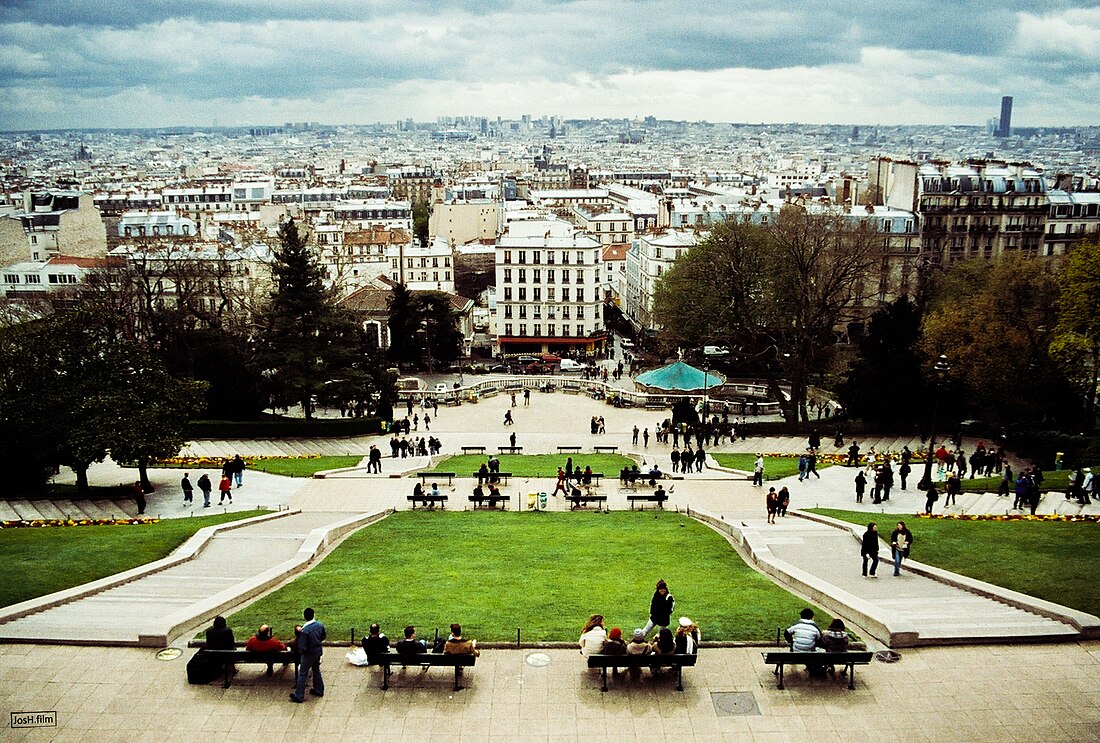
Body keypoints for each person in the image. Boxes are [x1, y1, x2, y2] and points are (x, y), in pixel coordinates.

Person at [289, 607, 326, 703]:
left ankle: (299, 695)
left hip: (308, 654)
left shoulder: (305, 631)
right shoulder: (319, 625)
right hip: (317, 651)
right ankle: (319, 690)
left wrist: (302, 652)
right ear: (313, 615)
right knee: (316, 669)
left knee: (303, 673)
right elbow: (323, 636)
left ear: (305, 616)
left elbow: (302, 647)